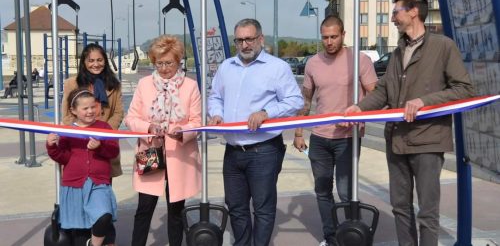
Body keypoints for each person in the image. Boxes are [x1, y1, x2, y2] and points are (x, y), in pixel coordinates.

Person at [344, 0, 474, 246]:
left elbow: (464, 89)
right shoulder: (397, 52)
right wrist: (359, 108)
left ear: (413, 11)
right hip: (397, 140)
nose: (392, 18)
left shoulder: (443, 46)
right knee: (400, 207)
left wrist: (424, 102)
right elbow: (383, 91)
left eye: (396, 12)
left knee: (427, 211)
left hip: (428, 142)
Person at [208, 18, 304, 246]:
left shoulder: (276, 67)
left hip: (264, 151)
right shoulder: (226, 67)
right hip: (232, 151)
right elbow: (215, 96)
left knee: (263, 208)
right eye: (239, 40)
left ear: (260, 39)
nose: (244, 45)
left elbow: (295, 100)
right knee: (236, 206)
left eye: (249, 39)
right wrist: (216, 113)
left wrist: (267, 112)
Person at [293, 15, 377, 246]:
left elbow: (374, 95)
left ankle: (353, 236)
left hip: (348, 138)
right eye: (325, 37)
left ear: (343, 35)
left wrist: (359, 116)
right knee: (322, 190)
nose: (329, 42)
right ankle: (331, 237)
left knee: (345, 191)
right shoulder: (312, 63)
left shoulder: (359, 60)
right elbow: (306, 101)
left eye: (333, 36)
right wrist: (299, 133)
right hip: (320, 137)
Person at [124, 35, 202, 246]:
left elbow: (197, 121)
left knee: (176, 210)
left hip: (180, 155)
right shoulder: (144, 84)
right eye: (159, 63)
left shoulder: (191, 86)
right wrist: (148, 127)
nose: (164, 68)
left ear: (179, 62)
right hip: (151, 151)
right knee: (144, 208)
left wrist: (182, 131)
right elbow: (130, 118)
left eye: (169, 63)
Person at [61, 43, 124, 245]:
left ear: (105, 61)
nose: (95, 64)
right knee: (81, 204)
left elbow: (118, 113)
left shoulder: (114, 84)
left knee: (102, 201)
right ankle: (83, 239)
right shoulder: (73, 83)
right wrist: (82, 131)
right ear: (84, 62)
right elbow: (66, 115)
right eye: (91, 60)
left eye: (99, 60)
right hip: (79, 150)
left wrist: (103, 131)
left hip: (103, 148)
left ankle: (105, 240)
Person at [46, 88, 119, 246]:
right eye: (85, 108)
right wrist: (52, 146)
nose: (90, 111)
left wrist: (99, 147)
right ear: (74, 110)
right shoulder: (66, 131)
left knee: (104, 216)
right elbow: (63, 157)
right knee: (80, 230)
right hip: (74, 185)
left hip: (98, 183)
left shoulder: (104, 127)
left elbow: (113, 152)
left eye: (93, 106)